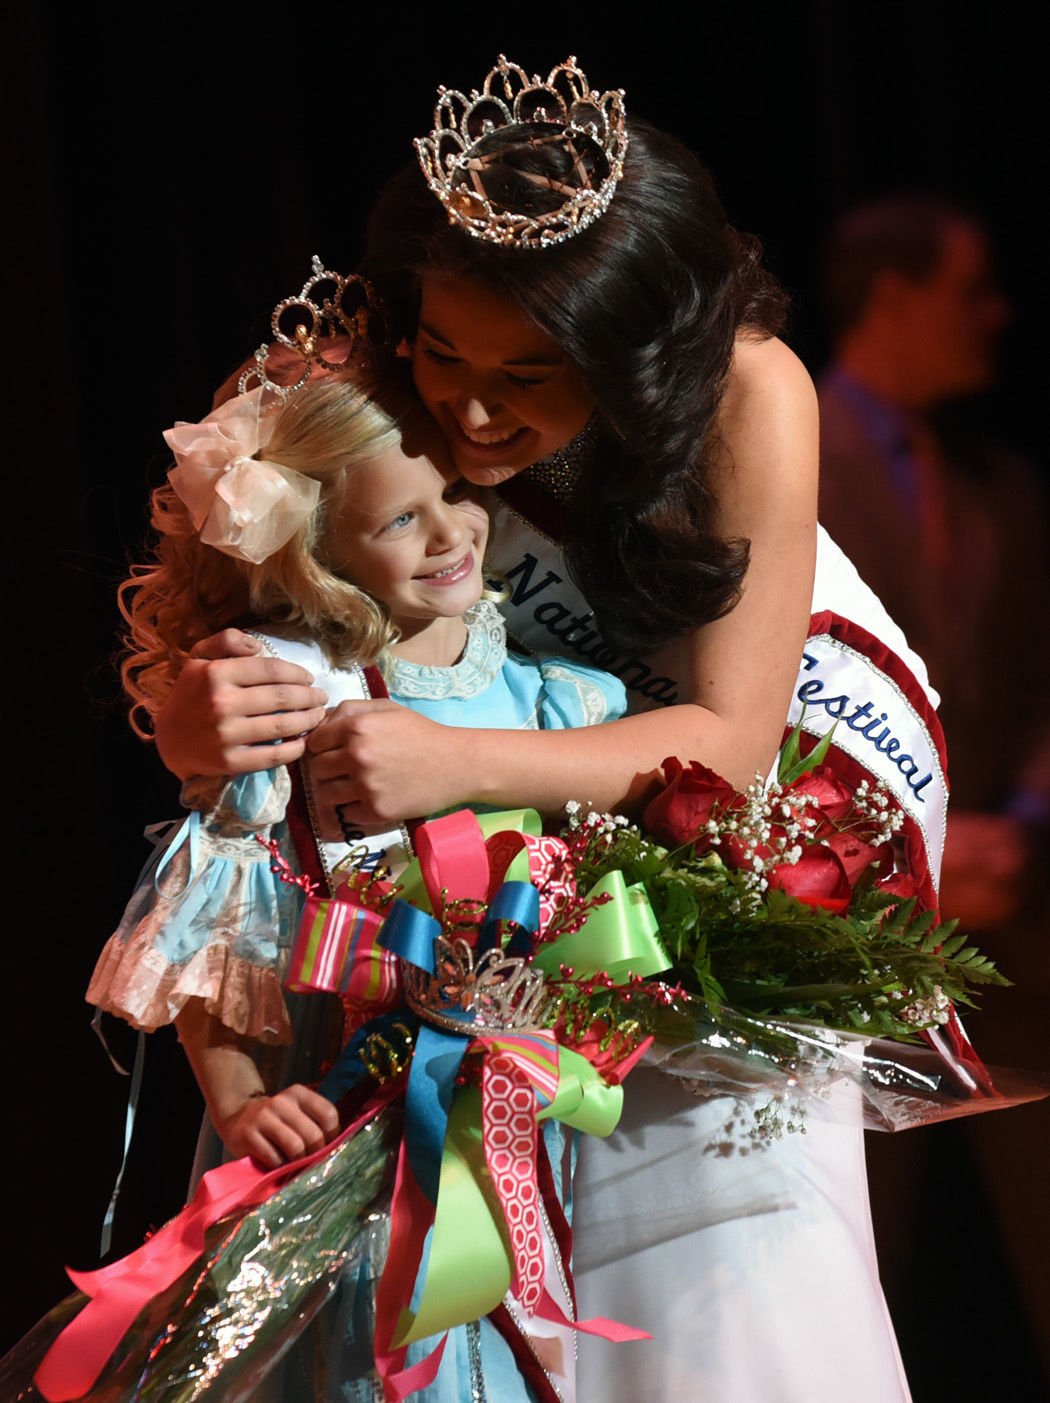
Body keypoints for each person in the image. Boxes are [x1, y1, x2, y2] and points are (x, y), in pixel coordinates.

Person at [135, 56, 947, 1401]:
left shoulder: (749, 391)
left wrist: (461, 760)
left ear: (636, 357)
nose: (463, 408)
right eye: (441, 349)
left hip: (688, 859)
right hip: (441, 904)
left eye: (529, 373)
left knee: (702, 1280)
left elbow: (732, 743)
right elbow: (208, 614)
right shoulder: (345, 364)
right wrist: (190, 719)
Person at [77, 364, 627, 1402]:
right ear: (317, 552)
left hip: (515, 1122)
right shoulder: (298, 697)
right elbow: (224, 932)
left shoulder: (553, 698)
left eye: (458, 494)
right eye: (401, 521)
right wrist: (244, 1106)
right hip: (339, 1118)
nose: (451, 532)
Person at [816, 194, 1050, 1394]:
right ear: (893, 297)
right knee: (848, 1273)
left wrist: (1024, 823)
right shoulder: (787, 455)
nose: (997, 317)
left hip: (1011, 933)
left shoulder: (1000, 485)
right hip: (839, 941)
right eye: (972, 290)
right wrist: (913, 858)